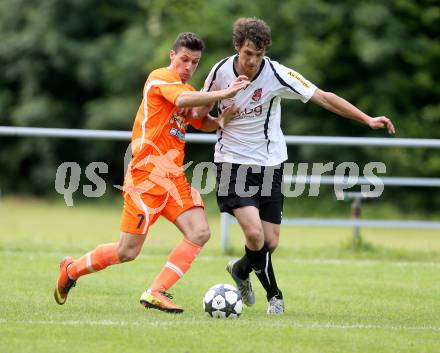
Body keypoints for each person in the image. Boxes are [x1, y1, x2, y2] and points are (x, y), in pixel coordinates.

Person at [200, 17, 395, 315]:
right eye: (247, 53)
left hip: (270, 163)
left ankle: (240, 270)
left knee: (271, 241)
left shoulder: (277, 74)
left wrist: (366, 118)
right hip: (232, 162)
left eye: (259, 55)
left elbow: (323, 98)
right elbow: (201, 113)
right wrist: (218, 109)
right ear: (238, 47)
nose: (252, 61)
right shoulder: (219, 71)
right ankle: (274, 296)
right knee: (255, 236)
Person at [53, 32, 249, 313]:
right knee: (127, 252)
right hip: (146, 177)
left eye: (194, 62)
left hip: (174, 177)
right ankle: (71, 270)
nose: (188, 66)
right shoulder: (160, 78)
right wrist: (225, 92)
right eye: (184, 59)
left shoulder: (187, 89)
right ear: (172, 56)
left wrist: (219, 120)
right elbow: (183, 103)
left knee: (200, 231)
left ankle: (156, 291)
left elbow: (198, 119)